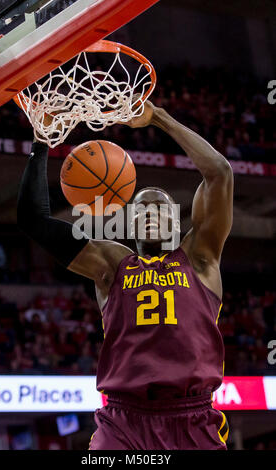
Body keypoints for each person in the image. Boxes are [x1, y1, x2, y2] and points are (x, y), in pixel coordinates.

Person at [17, 99, 233, 450]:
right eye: (142, 208)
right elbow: (33, 221)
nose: (150, 212)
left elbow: (219, 173)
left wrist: (160, 119)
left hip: (192, 419)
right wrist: (41, 140)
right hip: (123, 421)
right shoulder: (111, 264)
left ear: (177, 224)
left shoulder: (200, 259)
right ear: (130, 223)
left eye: (160, 207)